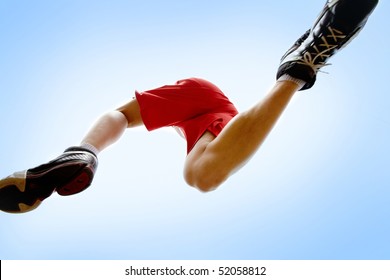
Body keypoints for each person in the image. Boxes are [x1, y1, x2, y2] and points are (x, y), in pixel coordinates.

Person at [0, 0, 379, 214]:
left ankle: (83, 150)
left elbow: (119, 116)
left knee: (127, 120)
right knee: (202, 174)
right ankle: (299, 66)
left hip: (203, 99)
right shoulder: (194, 105)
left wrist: (89, 149)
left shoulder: (186, 96)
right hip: (207, 107)